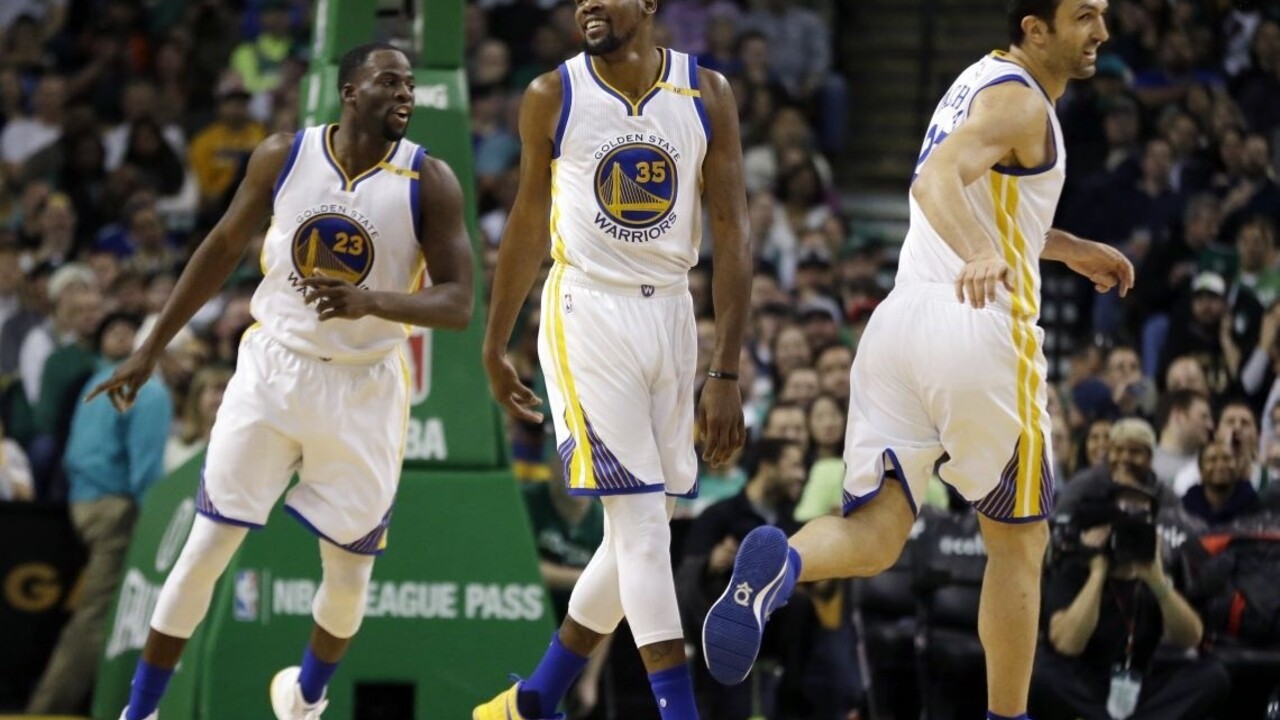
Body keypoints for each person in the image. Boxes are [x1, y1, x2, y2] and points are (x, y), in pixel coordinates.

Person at [703, 4, 1134, 720]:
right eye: (1085, 16)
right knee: (1019, 543)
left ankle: (784, 564)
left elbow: (990, 201)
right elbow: (936, 181)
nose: (1102, 33)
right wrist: (983, 254)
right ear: (1035, 28)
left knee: (876, 537)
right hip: (976, 328)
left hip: (898, 326)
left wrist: (1066, 248)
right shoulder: (1021, 101)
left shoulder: (975, 81)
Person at [89, 43, 475, 720]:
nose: (406, 95)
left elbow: (459, 302)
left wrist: (371, 302)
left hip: (364, 385)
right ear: (349, 91)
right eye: (390, 82)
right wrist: (151, 347)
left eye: (411, 85)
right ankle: (140, 711)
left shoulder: (429, 180)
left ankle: (305, 699)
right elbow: (220, 247)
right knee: (207, 546)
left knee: (349, 572)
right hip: (274, 370)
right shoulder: (284, 155)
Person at [474, 0, 751, 716]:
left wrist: (726, 368)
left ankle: (531, 702)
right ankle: (679, 711)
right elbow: (527, 220)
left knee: (639, 528)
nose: (587, 4)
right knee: (642, 527)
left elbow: (733, 230)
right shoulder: (552, 93)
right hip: (588, 310)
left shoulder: (707, 92)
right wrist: (496, 340)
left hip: (673, 312)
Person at [26, 312, 171, 714]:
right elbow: (146, 475)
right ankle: (48, 708)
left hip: (84, 502)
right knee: (100, 616)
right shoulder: (151, 392)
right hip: (116, 509)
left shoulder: (100, 378)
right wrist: (161, 529)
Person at [1030, 483, 1228, 720]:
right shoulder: (1075, 568)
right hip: (1085, 682)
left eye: (1141, 517)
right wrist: (1098, 572)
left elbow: (1191, 638)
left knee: (1212, 675)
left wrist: (1157, 581)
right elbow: (1067, 644)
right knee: (1041, 675)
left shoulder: (1157, 575)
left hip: (1139, 683)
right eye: (1124, 515)